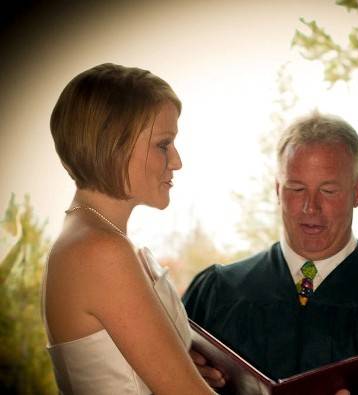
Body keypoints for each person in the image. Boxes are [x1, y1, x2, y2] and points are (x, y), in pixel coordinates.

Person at [183, 112, 358, 393]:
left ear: (357, 191)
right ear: (277, 189)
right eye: (296, 189)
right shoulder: (217, 292)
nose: (311, 207)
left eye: (328, 191)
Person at [43, 63, 215, 395]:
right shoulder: (99, 250)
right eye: (164, 144)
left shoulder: (91, 237)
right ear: (115, 145)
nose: (177, 160)